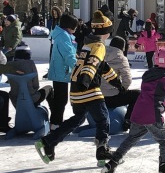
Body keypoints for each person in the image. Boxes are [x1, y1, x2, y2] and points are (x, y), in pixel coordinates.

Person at [35, 10, 125, 165]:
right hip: (88, 87)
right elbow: (94, 63)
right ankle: (102, 151)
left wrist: (116, 82)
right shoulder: (99, 45)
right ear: (107, 32)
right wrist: (87, 78)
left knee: (77, 119)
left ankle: (48, 141)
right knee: (103, 119)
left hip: (76, 89)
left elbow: (102, 67)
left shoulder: (87, 43)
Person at [100, 47, 165, 173]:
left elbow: (154, 94)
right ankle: (164, 167)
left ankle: (112, 163)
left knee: (131, 139)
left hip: (138, 112)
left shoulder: (148, 75)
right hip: (152, 115)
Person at [102, 36, 141, 131]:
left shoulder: (100, 54)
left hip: (97, 98)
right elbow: (127, 79)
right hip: (111, 98)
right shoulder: (121, 58)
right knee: (137, 95)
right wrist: (123, 89)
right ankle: (128, 120)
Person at [48, 13, 78, 130]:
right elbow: (68, 55)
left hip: (61, 71)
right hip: (61, 71)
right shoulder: (63, 37)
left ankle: (56, 122)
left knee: (60, 99)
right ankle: (55, 123)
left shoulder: (63, 35)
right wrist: (77, 67)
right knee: (61, 99)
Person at [8, 43, 54, 108]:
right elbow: (36, 85)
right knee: (49, 88)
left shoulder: (10, 65)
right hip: (31, 98)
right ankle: (54, 115)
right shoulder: (30, 64)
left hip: (15, 99)